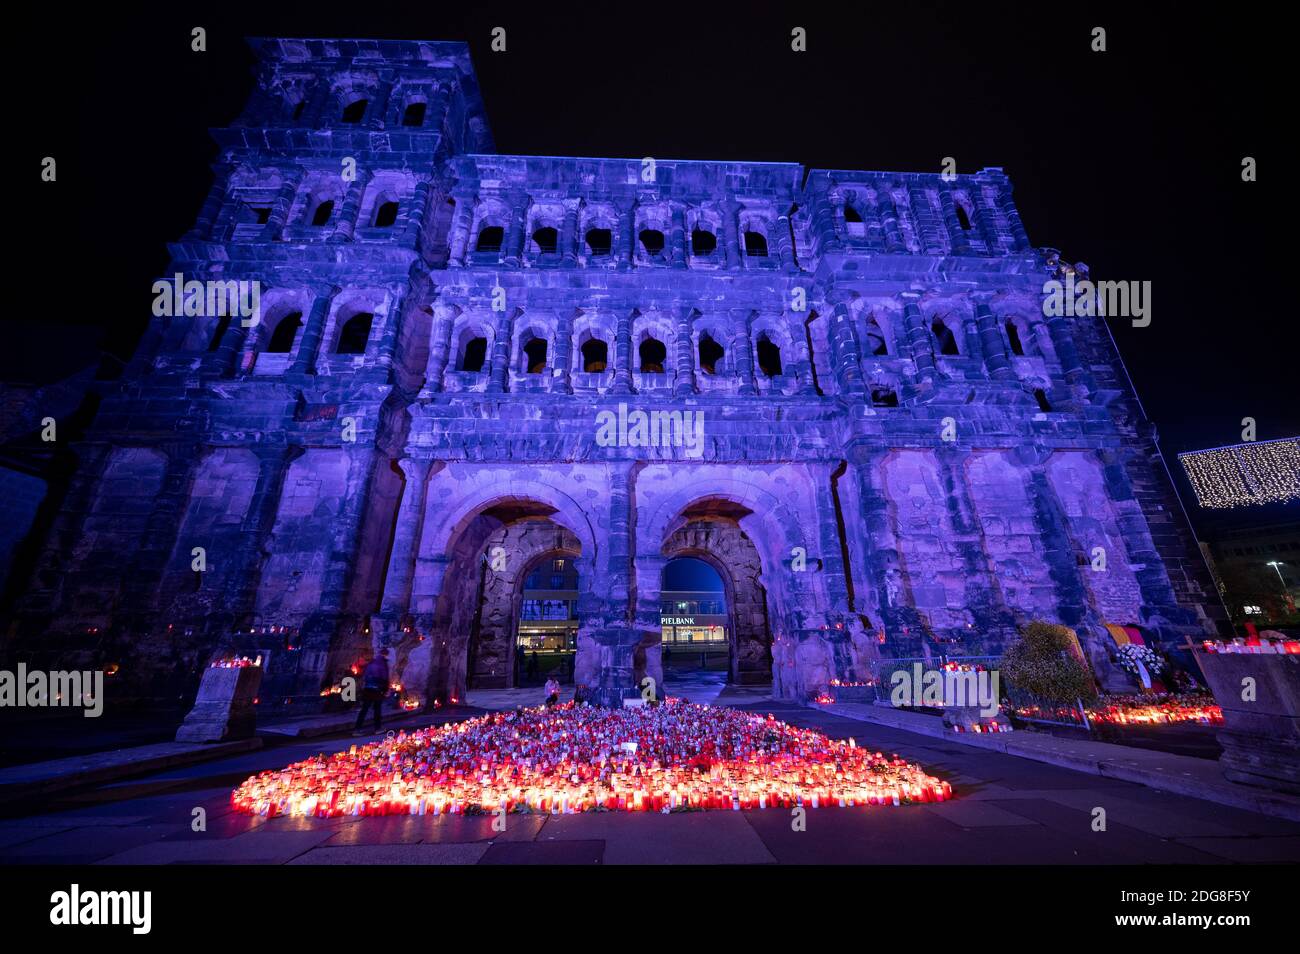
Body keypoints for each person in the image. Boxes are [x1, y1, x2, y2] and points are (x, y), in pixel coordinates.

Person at [354, 653, 390, 734]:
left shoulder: (370, 664)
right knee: (377, 709)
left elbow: (364, 675)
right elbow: (384, 678)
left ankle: (357, 729)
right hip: (376, 690)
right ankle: (377, 728)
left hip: (367, 689)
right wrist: (385, 690)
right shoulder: (382, 665)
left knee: (364, 709)